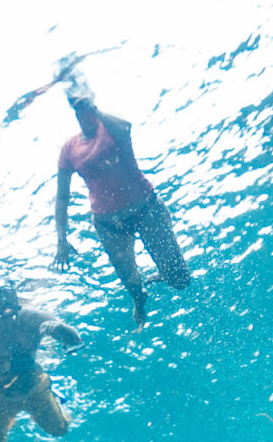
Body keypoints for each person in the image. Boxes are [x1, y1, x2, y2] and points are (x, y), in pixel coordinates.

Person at [53, 85, 188, 324]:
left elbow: (126, 129)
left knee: (181, 280)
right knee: (131, 283)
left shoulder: (111, 126)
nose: (80, 106)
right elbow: (62, 196)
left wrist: (94, 108)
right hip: (109, 225)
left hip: (147, 210)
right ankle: (139, 300)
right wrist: (62, 240)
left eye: (84, 101)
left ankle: (163, 274)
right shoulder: (69, 148)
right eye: (76, 104)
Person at [0, 282, 79, 442]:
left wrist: (61, 329)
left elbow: (75, 341)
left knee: (60, 428)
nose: (6, 315)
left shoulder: (33, 318)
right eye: (1, 311)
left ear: (17, 304)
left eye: (11, 309)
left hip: (33, 385)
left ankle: (54, 398)